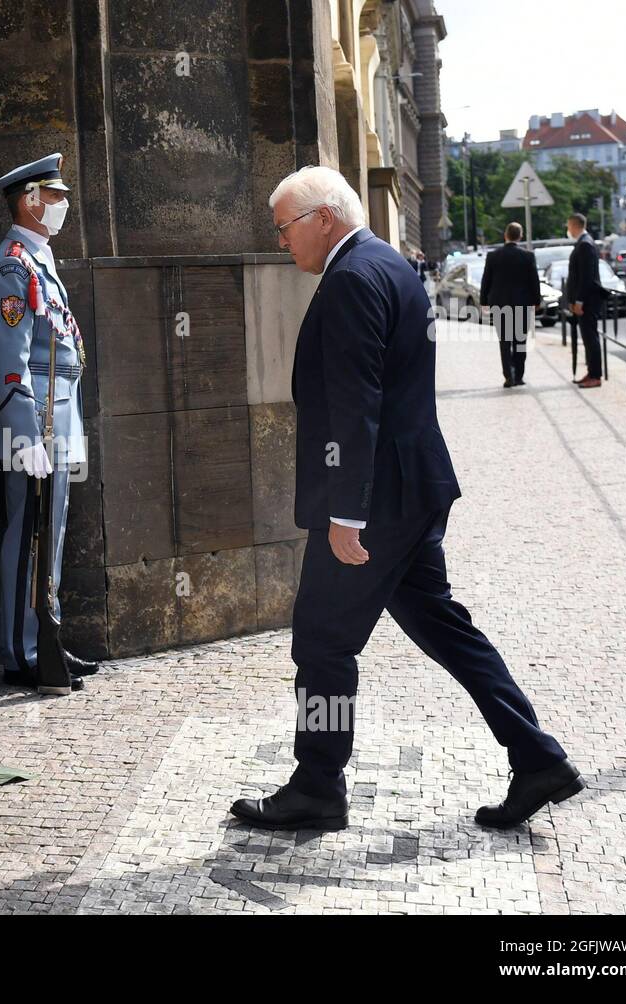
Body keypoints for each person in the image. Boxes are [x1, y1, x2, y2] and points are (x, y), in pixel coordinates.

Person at [230, 166, 582, 832]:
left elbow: (356, 404)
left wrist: (346, 514)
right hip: (414, 488)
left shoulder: (353, 279)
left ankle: (316, 786)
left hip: (377, 504)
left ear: (325, 217)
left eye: (284, 226)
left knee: (322, 642)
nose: (281, 241)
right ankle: (538, 758)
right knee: (446, 629)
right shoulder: (389, 265)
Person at [0, 153, 98, 694]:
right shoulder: (11, 265)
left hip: (60, 415)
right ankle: (19, 651)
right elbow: (9, 359)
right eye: (55, 197)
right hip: (35, 422)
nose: (63, 205)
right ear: (30, 201)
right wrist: (24, 436)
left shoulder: (38, 262)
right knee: (27, 534)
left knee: (48, 538)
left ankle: (44, 638)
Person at [480, 222, 541, 387]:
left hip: (500, 304)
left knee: (505, 342)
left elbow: (486, 280)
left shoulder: (493, 256)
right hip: (522, 304)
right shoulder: (528, 256)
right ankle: (519, 375)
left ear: (505, 235)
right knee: (520, 341)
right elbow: (534, 281)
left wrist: (483, 301)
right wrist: (537, 300)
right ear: (520, 236)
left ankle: (509, 376)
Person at [567, 213, 606, 388]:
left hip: (588, 301)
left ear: (575, 225)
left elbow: (586, 277)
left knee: (591, 338)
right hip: (585, 300)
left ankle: (595, 375)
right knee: (588, 337)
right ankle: (591, 372)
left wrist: (579, 302)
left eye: (569, 226)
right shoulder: (584, 243)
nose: (568, 229)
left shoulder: (585, 244)